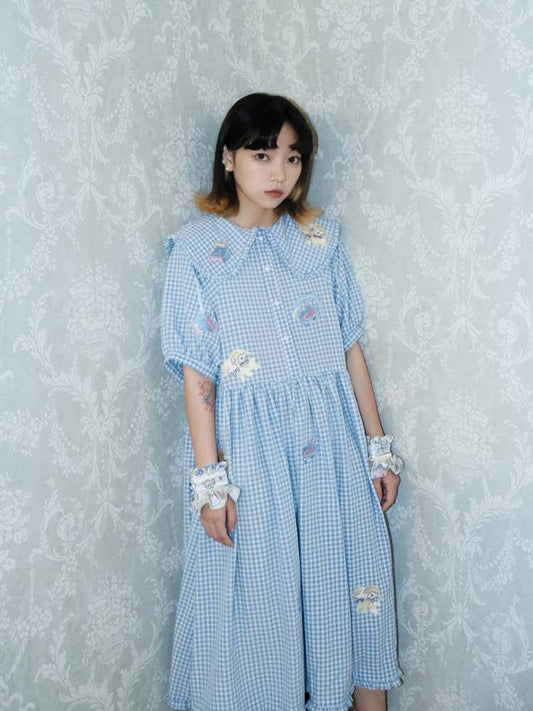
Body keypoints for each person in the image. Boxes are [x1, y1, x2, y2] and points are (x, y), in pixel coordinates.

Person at [160, 93, 404, 711]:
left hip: (334, 447)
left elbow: (350, 348)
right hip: (254, 457)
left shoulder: (320, 240)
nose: (280, 173)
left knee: (351, 583)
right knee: (261, 604)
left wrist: (377, 447)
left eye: (293, 158)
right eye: (262, 155)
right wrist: (210, 483)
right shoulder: (194, 251)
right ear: (229, 157)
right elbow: (198, 376)